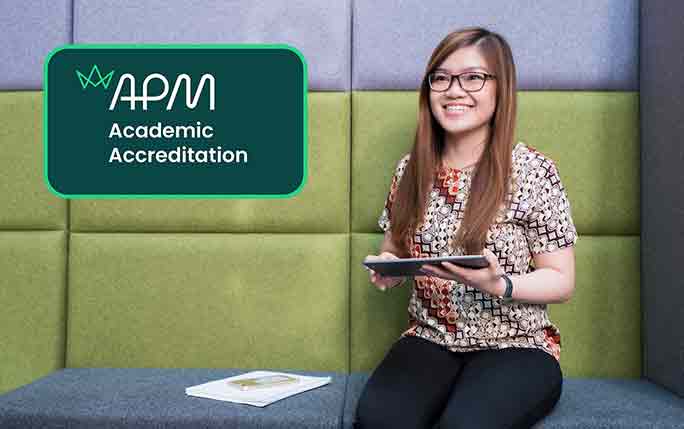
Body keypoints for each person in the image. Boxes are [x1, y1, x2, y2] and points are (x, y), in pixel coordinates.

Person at [354, 27, 578, 429]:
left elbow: (561, 281)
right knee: (379, 423)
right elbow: (395, 249)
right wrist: (388, 267)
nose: (454, 90)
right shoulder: (410, 171)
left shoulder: (532, 171)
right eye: (441, 78)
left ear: (500, 88)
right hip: (430, 340)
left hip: (516, 346)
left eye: (473, 77)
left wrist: (501, 285)